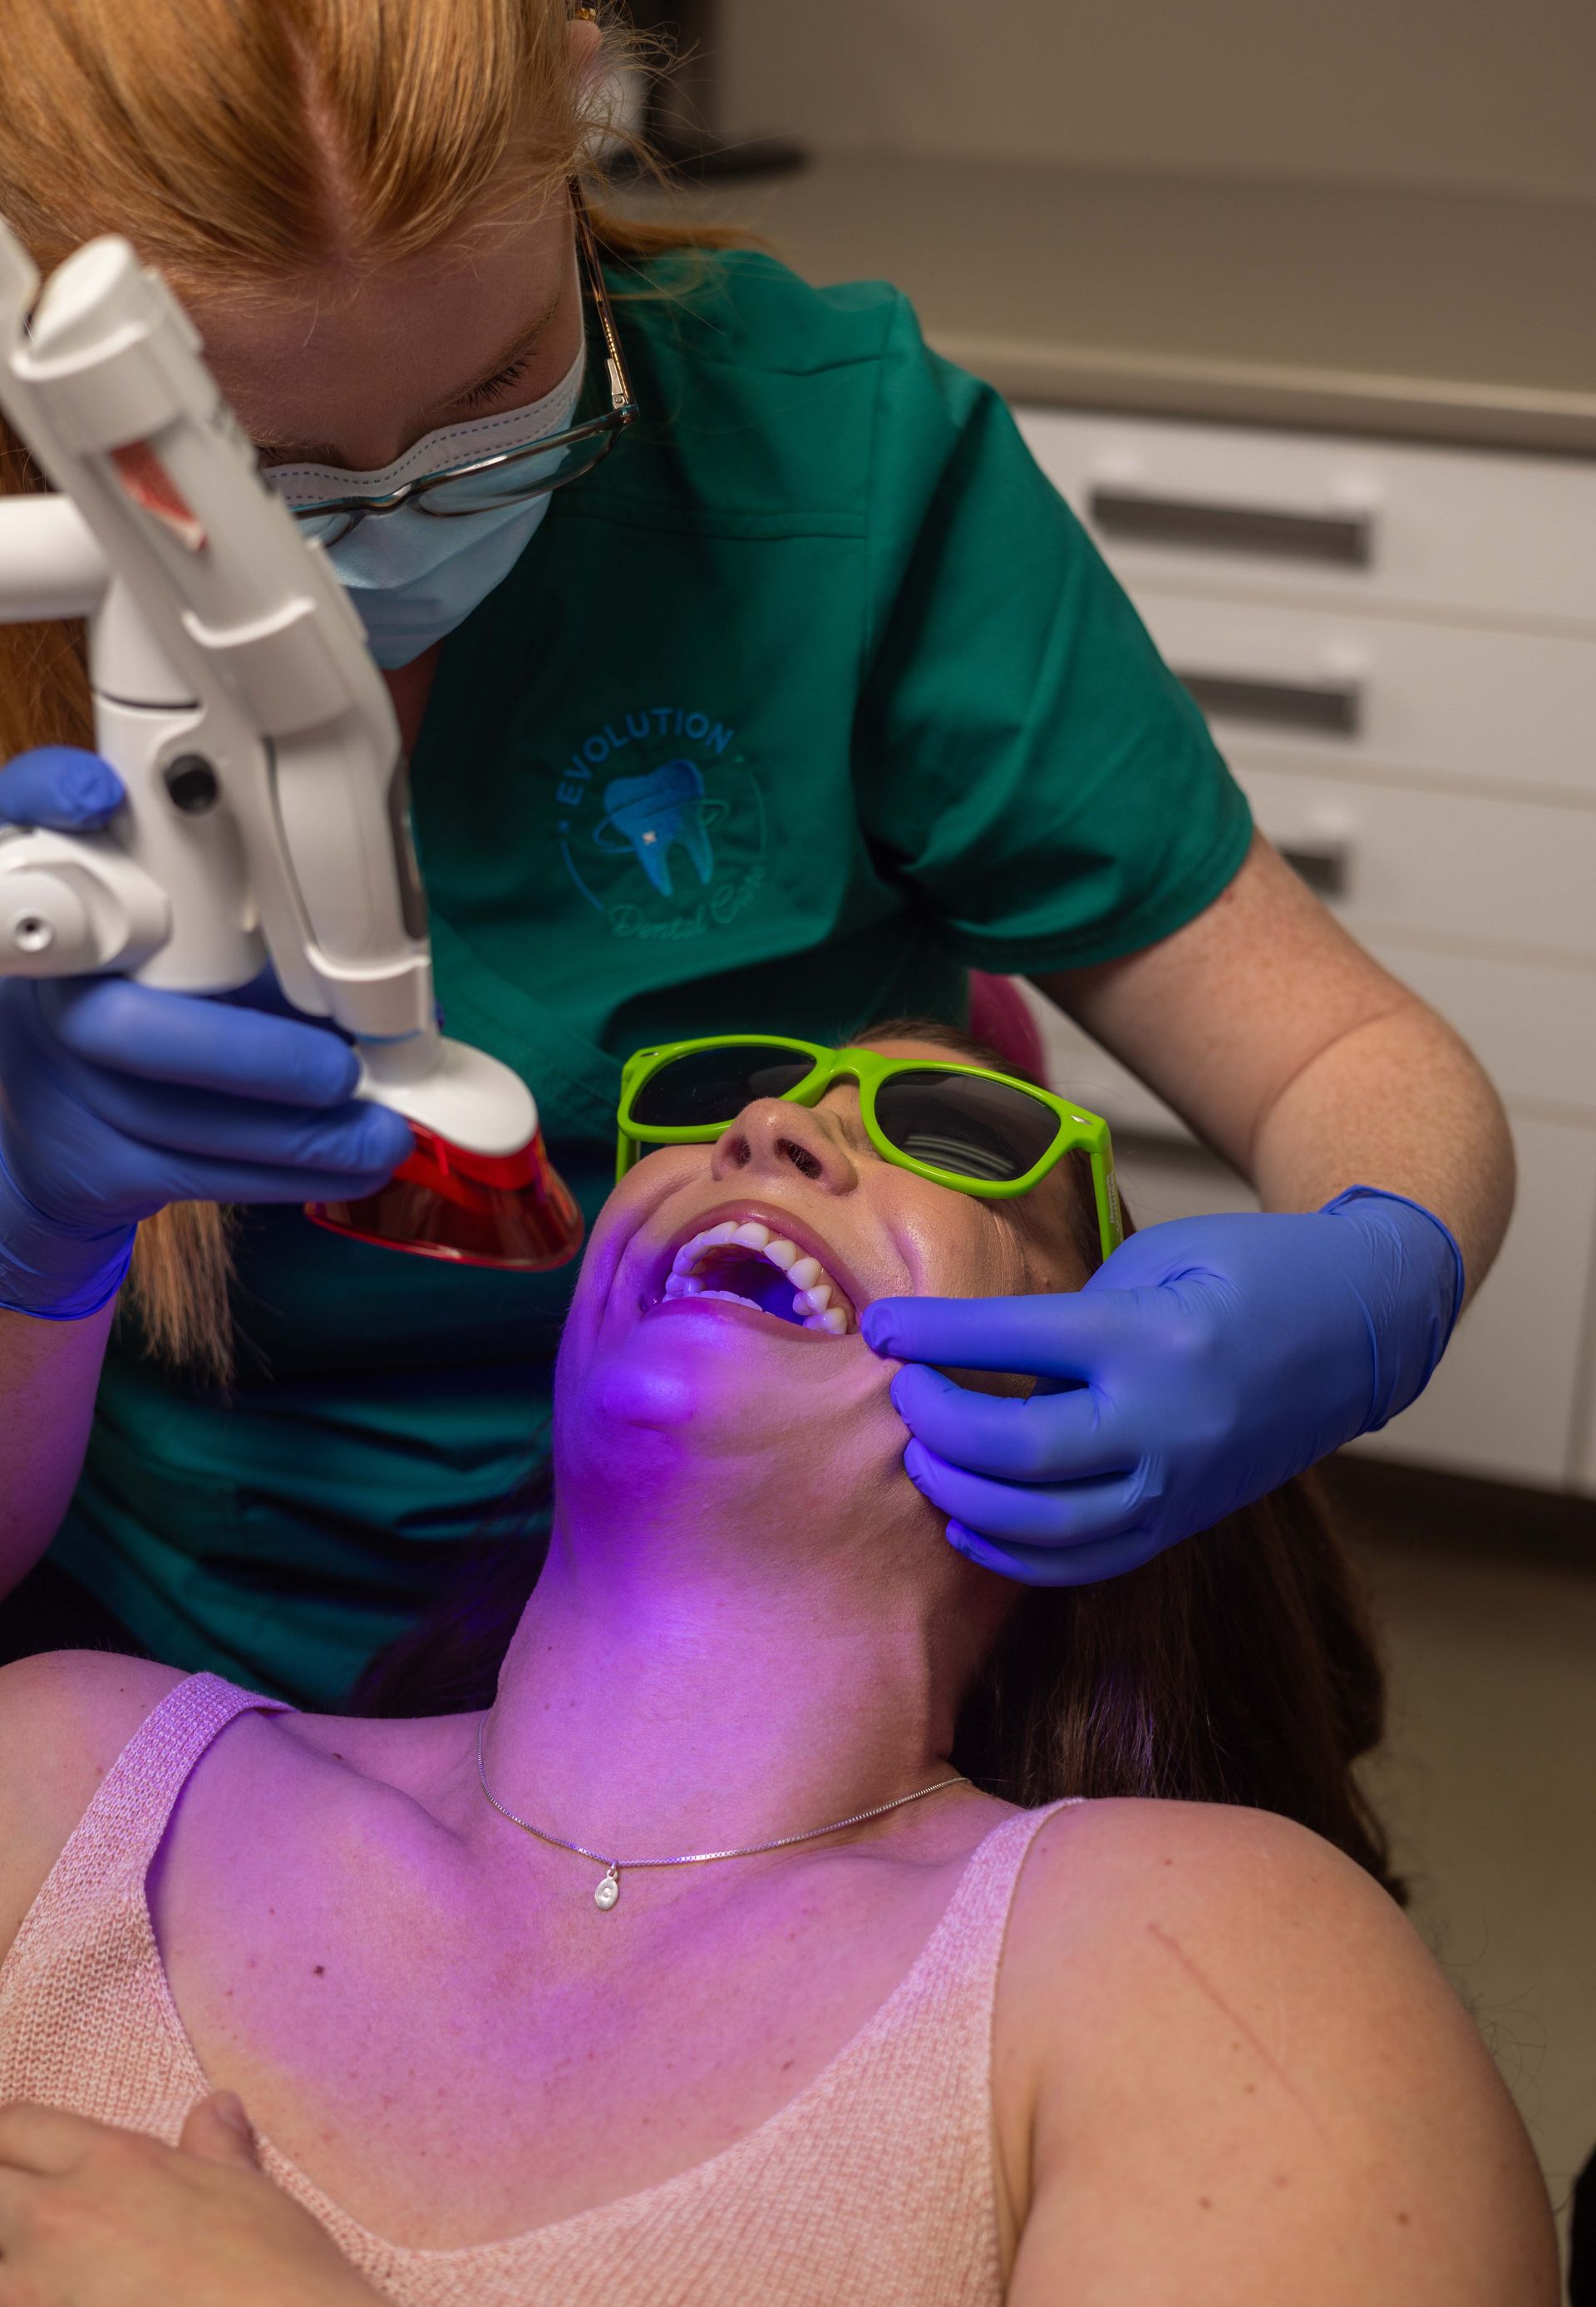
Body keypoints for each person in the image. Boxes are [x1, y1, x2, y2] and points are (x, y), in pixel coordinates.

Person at [0, 0, 1506, 1710]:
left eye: (498, 403)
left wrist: (1376, 1274)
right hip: (165, 1645)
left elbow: (1349, 1054)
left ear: (584, 96)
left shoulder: (828, 462)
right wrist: (30, 1235)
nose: (407, 524)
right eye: (265, 477)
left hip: (811, 1652)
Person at [0, 1028, 1562, 2307]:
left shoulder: (1202, 1960)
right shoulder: (68, 1773)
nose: (768, 1130)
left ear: (1101, 1414)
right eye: (726, 1104)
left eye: (955, 1139)